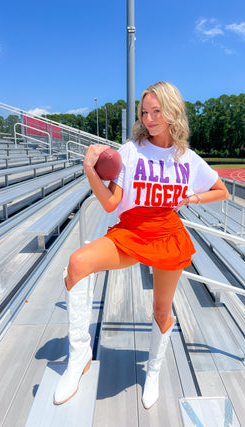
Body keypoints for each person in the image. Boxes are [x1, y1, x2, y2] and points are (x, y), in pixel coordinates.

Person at [53, 81, 229, 409]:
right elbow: (110, 204)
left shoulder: (187, 158)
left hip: (167, 234)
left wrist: (191, 197)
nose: (149, 118)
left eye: (156, 111)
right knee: (77, 264)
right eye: (144, 112)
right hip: (132, 230)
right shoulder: (131, 150)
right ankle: (79, 359)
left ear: (172, 112)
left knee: (161, 310)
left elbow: (222, 190)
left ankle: (154, 370)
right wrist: (90, 171)